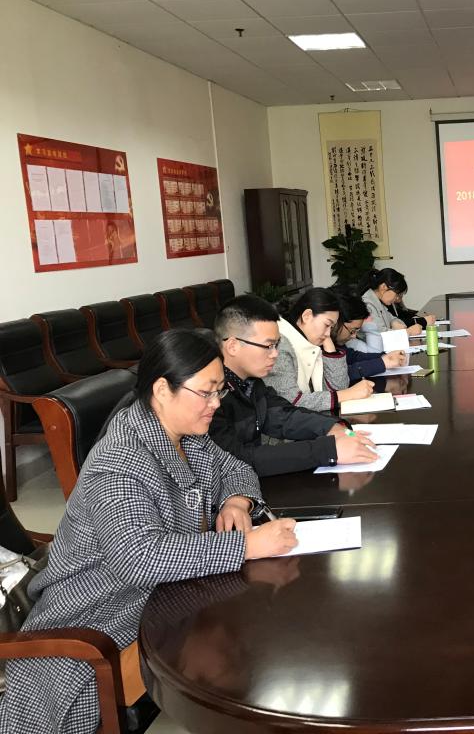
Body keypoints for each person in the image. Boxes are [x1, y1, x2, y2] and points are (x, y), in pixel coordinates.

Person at [0, 329, 299, 734]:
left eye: (219, 391)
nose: (215, 404)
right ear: (161, 390)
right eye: (206, 392)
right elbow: (139, 558)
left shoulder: (182, 432)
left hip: (159, 592)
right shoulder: (120, 460)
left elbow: (235, 468)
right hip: (97, 610)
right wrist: (245, 545)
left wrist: (236, 501)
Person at [210, 295, 378, 477]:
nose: (275, 354)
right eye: (268, 346)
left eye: (276, 345)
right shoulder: (209, 395)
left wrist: (333, 427)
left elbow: (283, 416)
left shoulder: (250, 382)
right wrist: (328, 450)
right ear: (233, 346)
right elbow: (238, 459)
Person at [267, 287, 379, 413]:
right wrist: (345, 395)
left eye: (331, 327)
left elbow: (338, 388)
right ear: (307, 316)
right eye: (327, 325)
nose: (328, 333)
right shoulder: (279, 345)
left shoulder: (310, 344)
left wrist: (330, 349)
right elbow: (290, 402)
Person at [331, 292, 410, 382]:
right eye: (352, 330)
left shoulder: (337, 342)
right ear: (337, 322)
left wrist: (385, 356)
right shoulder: (323, 343)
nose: (354, 336)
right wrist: (382, 363)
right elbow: (343, 375)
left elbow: (352, 357)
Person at [351, 268, 433, 353]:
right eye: (397, 294)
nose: (397, 299)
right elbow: (379, 335)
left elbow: (392, 318)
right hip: (371, 353)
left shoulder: (377, 302)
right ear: (383, 287)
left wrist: (394, 322)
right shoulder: (367, 305)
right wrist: (408, 332)